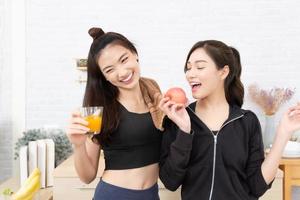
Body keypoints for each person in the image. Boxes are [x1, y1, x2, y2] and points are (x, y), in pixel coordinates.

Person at [158, 40, 300, 200]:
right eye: (188, 67)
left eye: (200, 67)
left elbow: (257, 186)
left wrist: (283, 133)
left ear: (223, 72)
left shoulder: (246, 121)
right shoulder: (178, 118)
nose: (190, 74)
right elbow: (170, 181)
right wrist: (184, 131)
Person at [66, 27, 165, 200]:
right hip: (114, 194)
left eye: (124, 59)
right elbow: (87, 176)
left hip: (151, 194)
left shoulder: (153, 90)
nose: (122, 72)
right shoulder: (97, 108)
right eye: (109, 69)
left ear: (135, 53)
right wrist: (79, 145)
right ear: (104, 76)